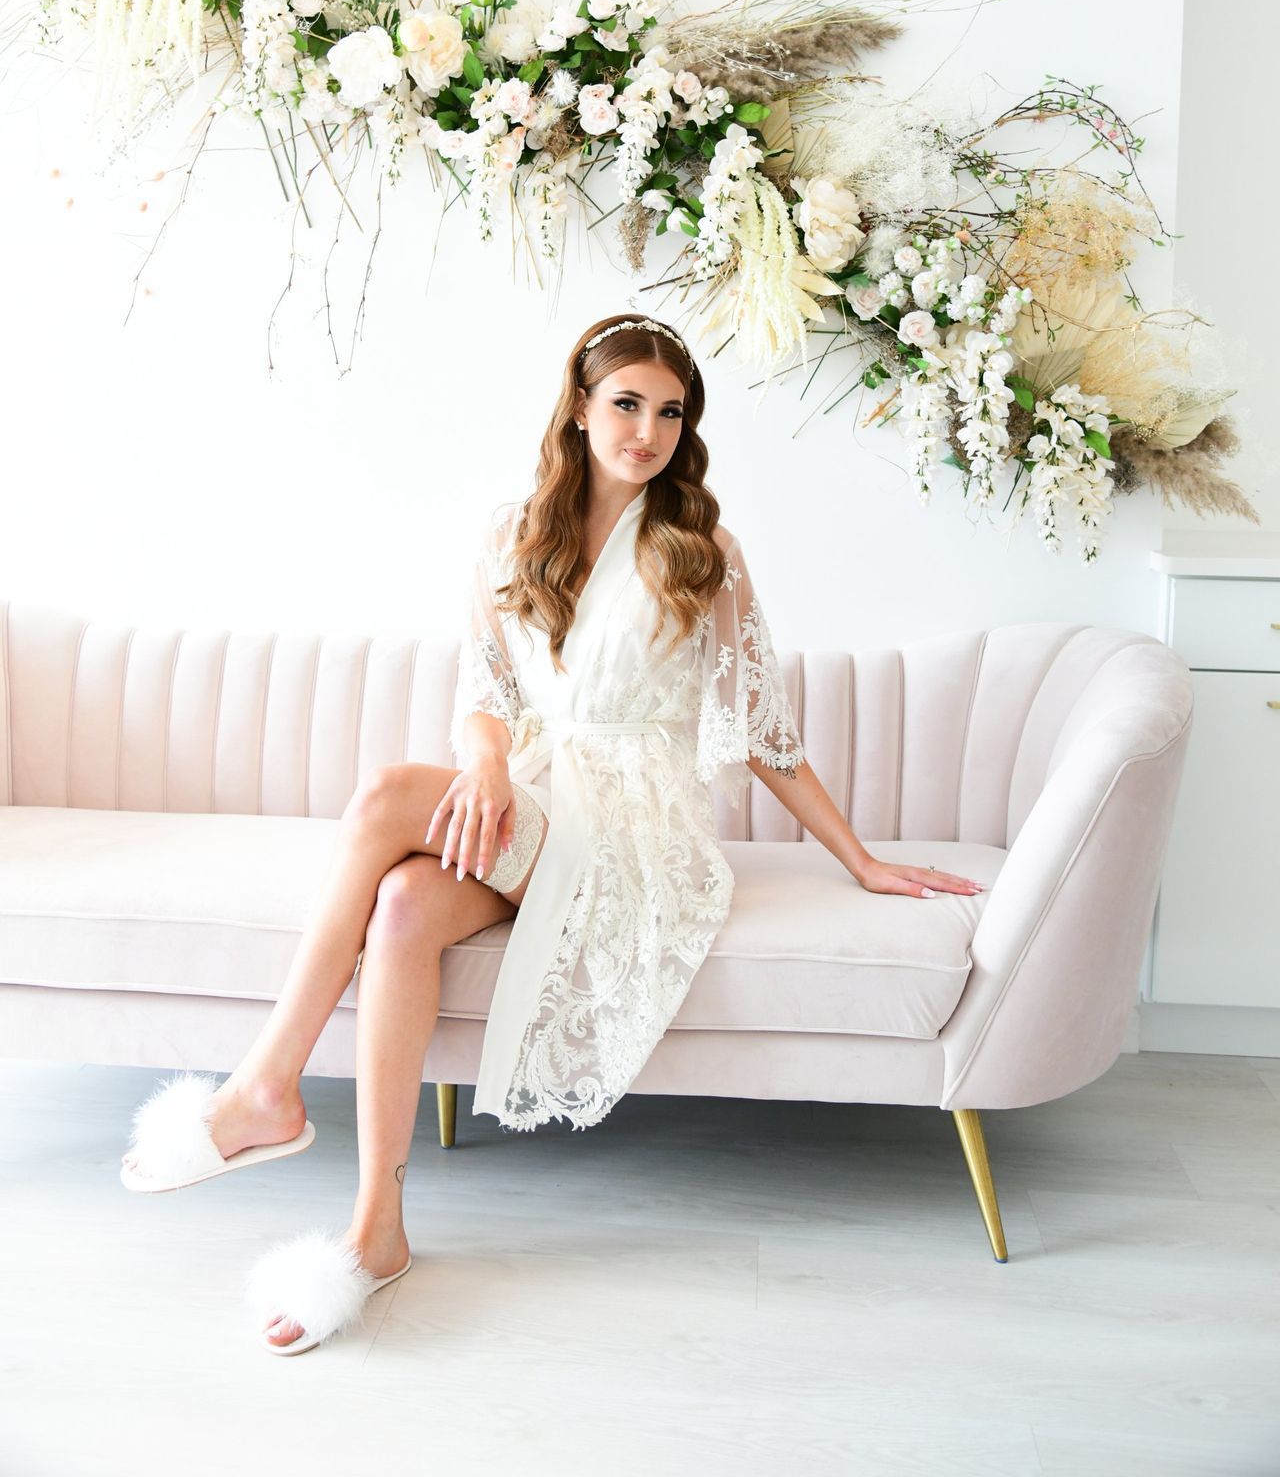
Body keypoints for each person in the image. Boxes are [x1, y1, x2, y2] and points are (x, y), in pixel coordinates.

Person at [119, 312, 984, 1354]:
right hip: (531, 796)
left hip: (632, 824)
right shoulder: (511, 532)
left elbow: (761, 731)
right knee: (400, 907)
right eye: (625, 403)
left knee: (390, 793)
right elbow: (484, 691)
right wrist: (486, 763)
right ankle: (375, 1229)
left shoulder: (700, 547)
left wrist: (862, 860)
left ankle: (264, 1085)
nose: (646, 430)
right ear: (578, 406)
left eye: (669, 412)